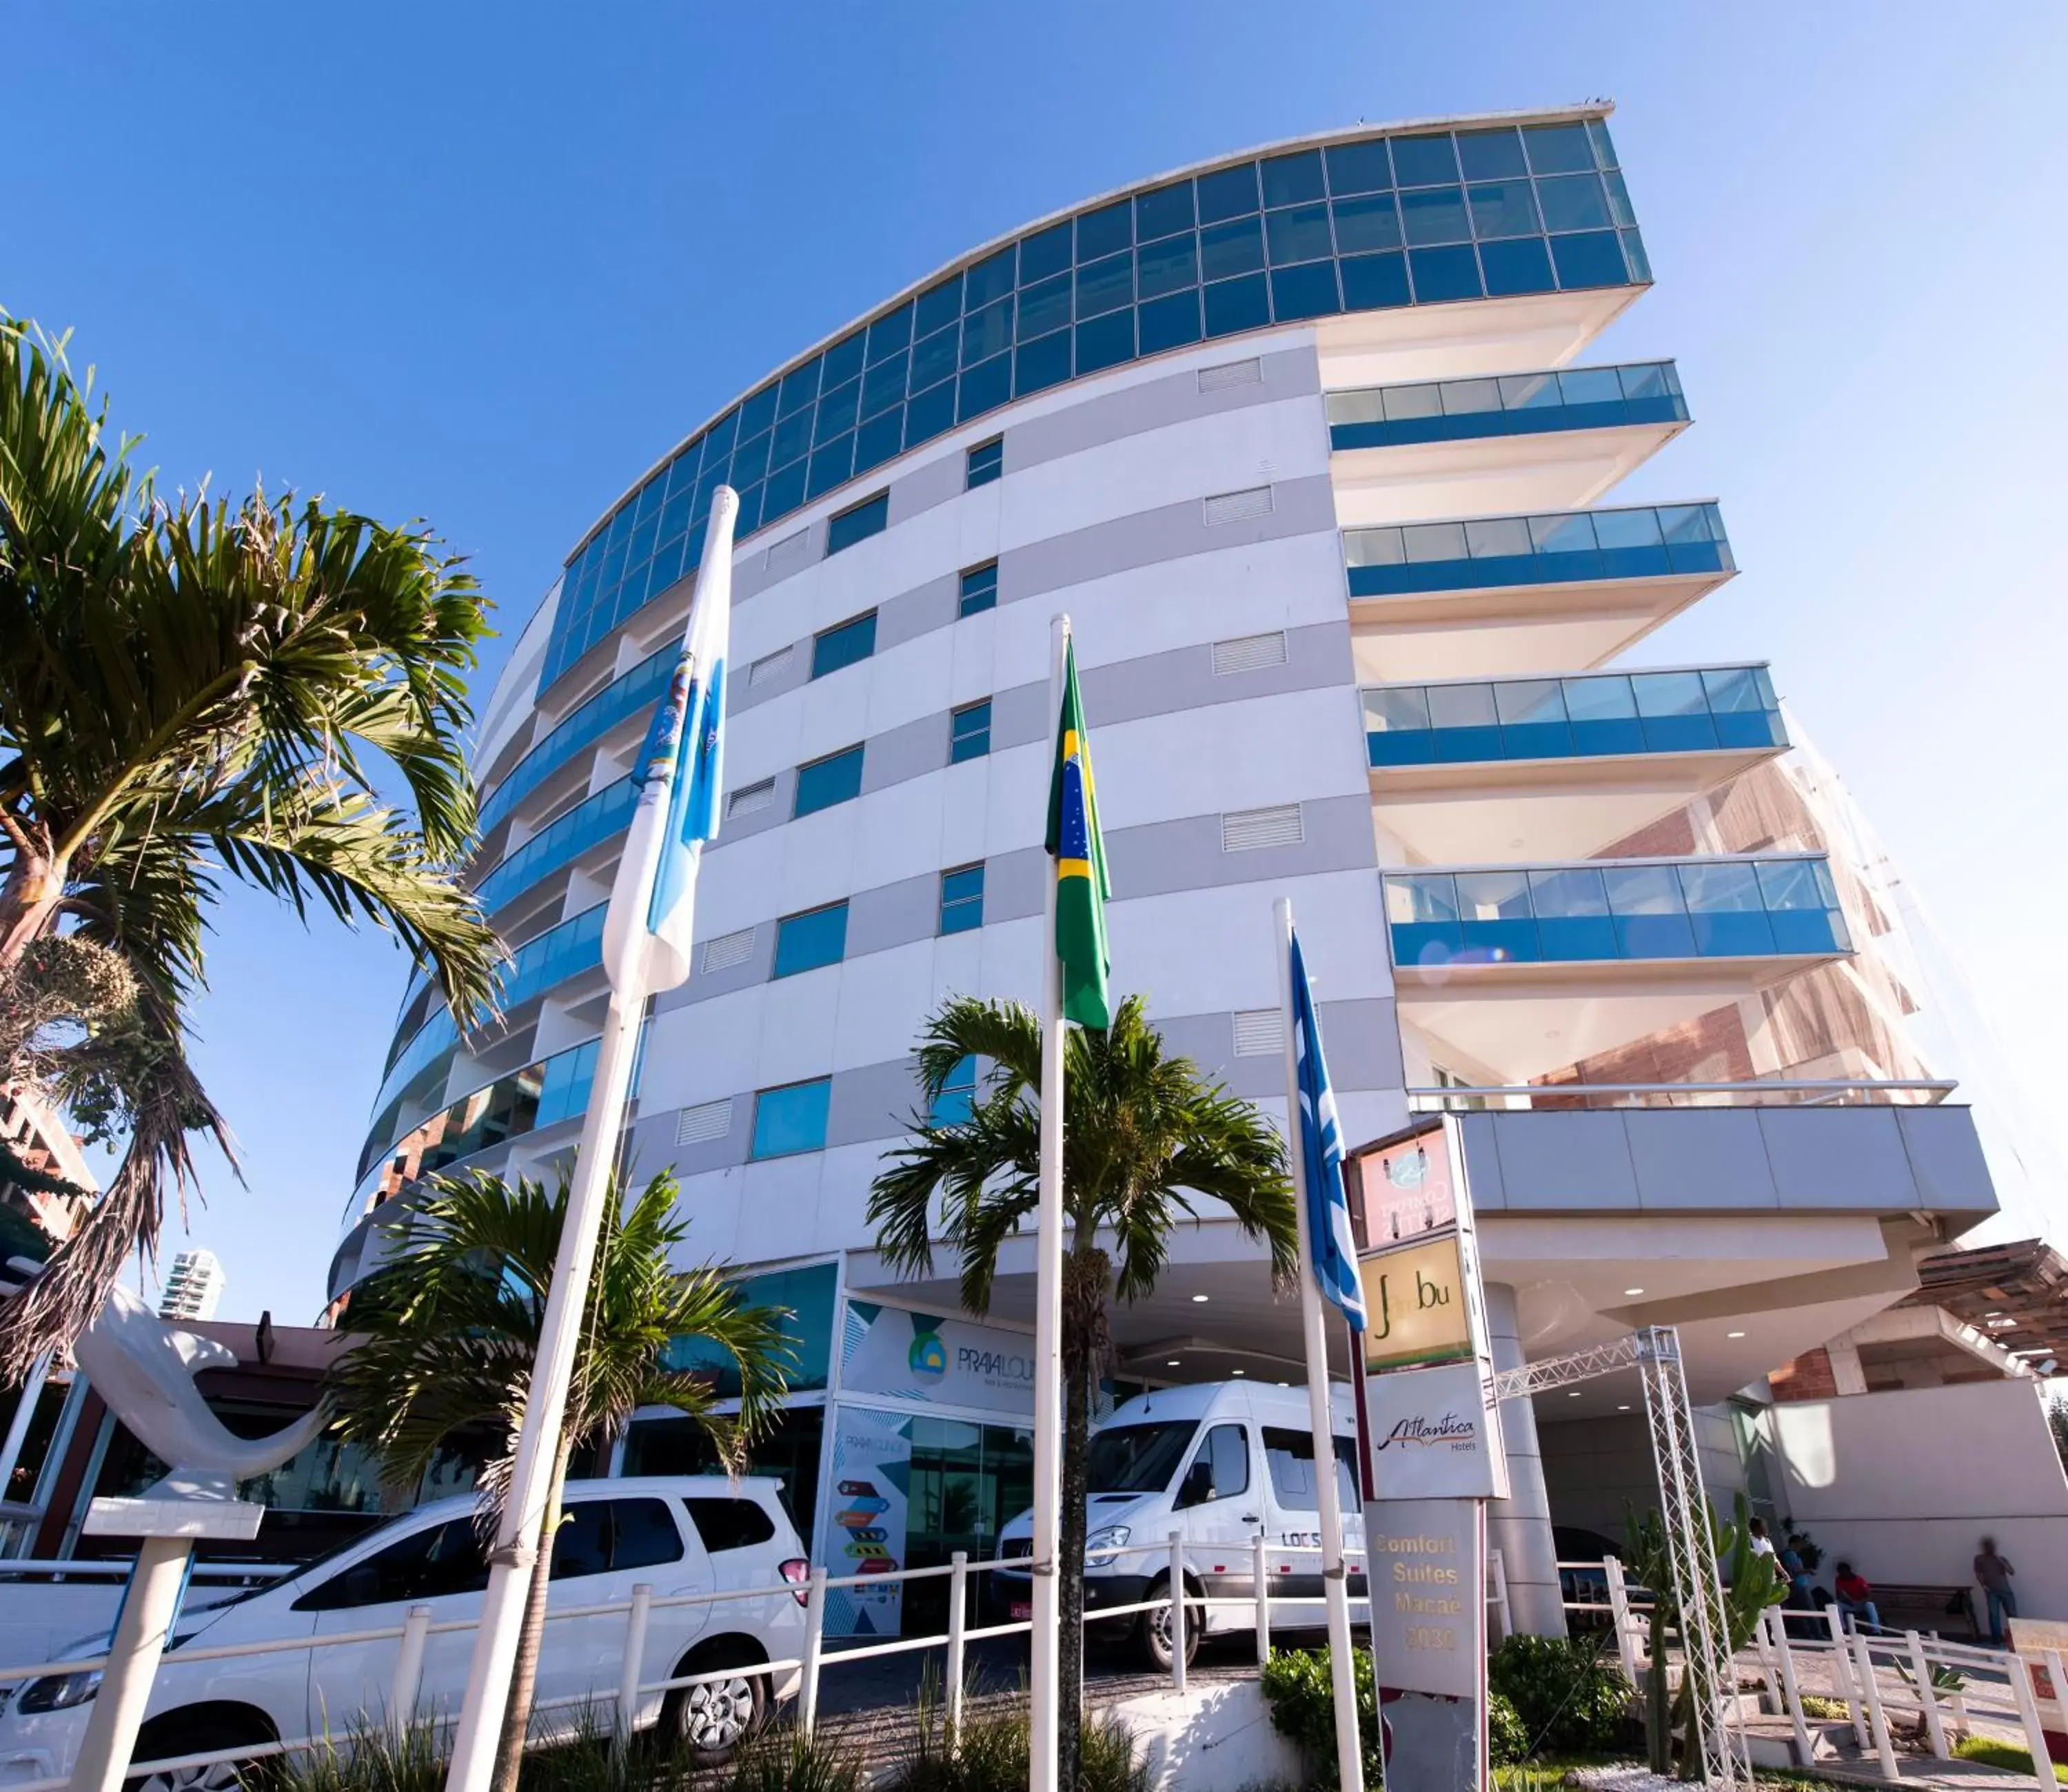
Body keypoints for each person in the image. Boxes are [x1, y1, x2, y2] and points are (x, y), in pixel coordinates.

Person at [1976, 1537, 2017, 1645]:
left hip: (2005, 1590)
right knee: (1994, 1615)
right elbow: (1978, 1574)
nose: (1990, 1548)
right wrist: (1984, 1586)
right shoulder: (1979, 1559)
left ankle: (2017, 1638)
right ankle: (1996, 1640)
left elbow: (2011, 1572)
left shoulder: (2000, 1559)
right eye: (1988, 1546)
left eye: (1992, 1546)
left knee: (2012, 1615)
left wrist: (2000, 1560)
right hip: (1991, 1591)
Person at [1834, 1560, 1881, 1634]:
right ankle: (1843, 1629)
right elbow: (1839, 1595)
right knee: (1836, 1604)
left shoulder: (1859, 1580)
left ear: (1848, 1571)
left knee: (1870, 1605)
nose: (1841, 1574)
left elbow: (1869, 1595)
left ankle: (1876, 1630)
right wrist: (1847, 1600)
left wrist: (1861, 1601)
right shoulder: (1839, 1579)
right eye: (1840, 1572)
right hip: (1849, 1604)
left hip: (1861, 1604)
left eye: (1843, 1572)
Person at [1781, 1534, 1815, 1610]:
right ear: (1794, 1544)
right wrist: (1808, 1571)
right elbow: (1795, 1571)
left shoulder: (1793, 1554)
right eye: (1799, 1544)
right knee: (1809, 1609)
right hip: (1799, 1586)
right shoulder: (1790, 1555)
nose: (1801, 1547)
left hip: (1801, 1585)